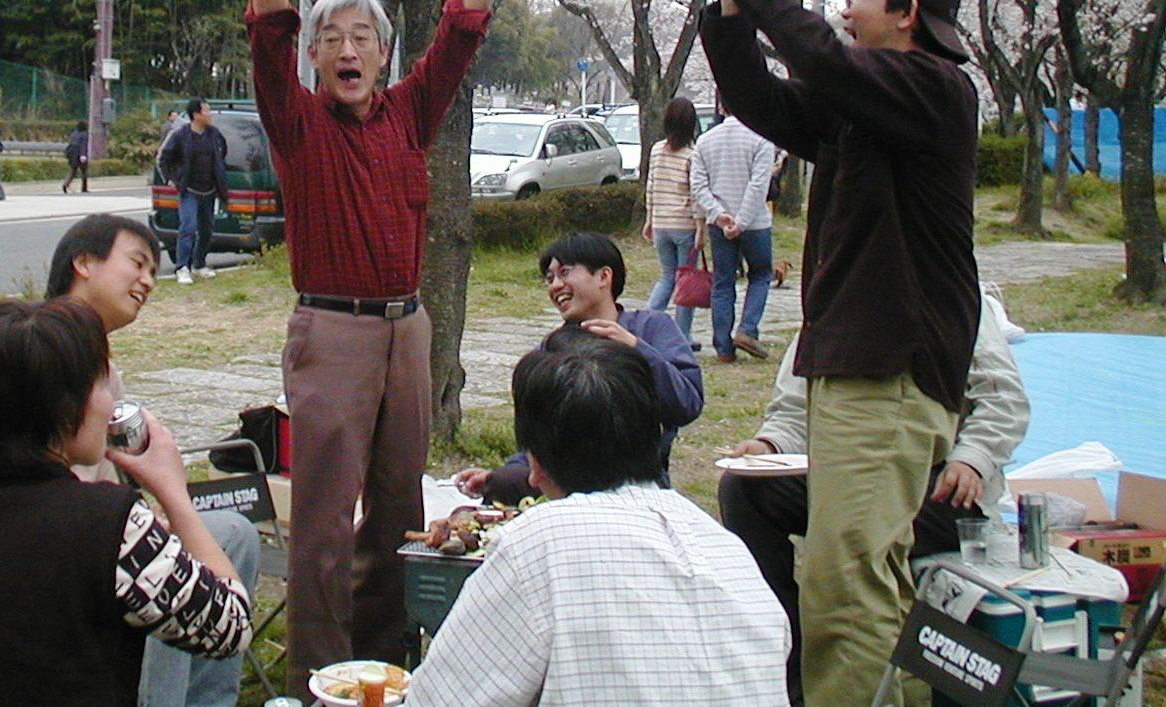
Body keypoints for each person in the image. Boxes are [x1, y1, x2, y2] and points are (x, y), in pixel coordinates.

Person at [235, 0, 533, 694]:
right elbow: (267, 34)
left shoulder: (410, 112)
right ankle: (318, 678)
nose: (347, 49)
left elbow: (462, 31)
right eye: (331, 39)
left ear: (384, 53)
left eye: (362, 37)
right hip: (331, 330)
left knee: (400, 511)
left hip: (408, 330)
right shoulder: (296, 123)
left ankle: (384, 669)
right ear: (314, 59)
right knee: (324, 519)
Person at [701, 0, 980, 706]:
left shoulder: (934, 89)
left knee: (845, 581)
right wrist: (731, 5)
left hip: (890, 366)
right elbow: (760, 98)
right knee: (859, 575)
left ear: (908, 12)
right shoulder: (869, 108)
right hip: (860, 365)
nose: (846, 10)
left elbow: (820, 57)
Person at [0, 214, 261, 707]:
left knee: (233, 533)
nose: (148, 280)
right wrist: (167, 497)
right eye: (137, 263)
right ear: (84, 262)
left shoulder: (97, 366)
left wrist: (145, 515)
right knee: (157, 572)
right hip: (29, 543)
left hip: (81, 529)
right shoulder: (23, 352)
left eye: (154, 270)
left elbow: (106, 487)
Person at [0, 298, 253, 706]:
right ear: (66, 407)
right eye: (100, 385)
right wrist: (174, 493)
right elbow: (229, 628)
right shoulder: (109, 524)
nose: (109, 404)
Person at [411, 328, 790, 706]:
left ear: (535, 466)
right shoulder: (727, 548)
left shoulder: (538, 543)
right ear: (656, 433)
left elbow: (441, 699)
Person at [719, 298, 1029, 705]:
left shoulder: (952, 293)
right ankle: (789, 657)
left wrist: (973, 458)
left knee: (850, 544)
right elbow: (795, 408)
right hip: (846, 477)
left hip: (939, 484)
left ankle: (874, 677)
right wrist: (769, 445)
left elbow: (1003, 399)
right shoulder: (831, 296)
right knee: (745, 489)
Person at [452, 231, 702, 502]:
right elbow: (539, 429)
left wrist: (635, 347)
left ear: (604, 276)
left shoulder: (652, 327)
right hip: (562, 479)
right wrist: (506, 471)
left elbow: (686, 404)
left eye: (565, 273)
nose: (556, 285)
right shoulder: (552, 347)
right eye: (550, 278)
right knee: (502, 484)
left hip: (634, 479)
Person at [690, 99, 776, 362]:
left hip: (719, 222)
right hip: (755, 223)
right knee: (760, 274)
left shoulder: (705, 141)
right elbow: (758, 186)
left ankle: (723, 346)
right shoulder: (761, 139)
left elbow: (698, 185)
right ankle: (747, 329)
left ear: (721, 107)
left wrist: (718, 215)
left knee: (723, 281)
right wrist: (742, 221)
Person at [642, 97, 706, 345]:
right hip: (684, 225)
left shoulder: (657, 150)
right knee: (686, 282)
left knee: (667, 277)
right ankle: (682, 336)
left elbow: (651, 186)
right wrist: (700, 228)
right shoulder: (692, 155)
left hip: (661, 223)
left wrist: (650, 218)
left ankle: (646, 323)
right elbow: (696, 194)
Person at [158, 99, 228, 285]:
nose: (210, 114)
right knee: (188, 227)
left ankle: (199, 264)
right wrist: (170, 178)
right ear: (196, 115)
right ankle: (182, 267)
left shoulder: (215, 134)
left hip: (210, 189)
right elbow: (163, 158)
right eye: (207, 111)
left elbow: (222, 153)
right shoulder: (180, 135)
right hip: (189, 190)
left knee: (207, 230)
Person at [63, 121, 89, 194]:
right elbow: (83, 145)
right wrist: (83, 155)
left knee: (73, 170)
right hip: (80, 155)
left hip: (72, 155)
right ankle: (84, 188)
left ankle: (66, 184)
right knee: (84, 171)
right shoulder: (84, 134)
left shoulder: (74, 134)